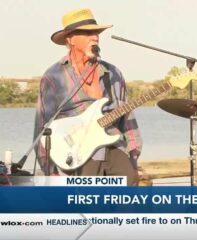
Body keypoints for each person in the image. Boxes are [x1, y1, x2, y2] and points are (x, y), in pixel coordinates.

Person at [33, 9, 142, 185]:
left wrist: (133, 160)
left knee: (128, 204)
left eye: (97, 32)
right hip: (78, 154)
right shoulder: (53, 76)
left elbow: (127, 118)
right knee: (88, 207)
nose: (95, 37)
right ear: (70, 39)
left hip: (115, 150)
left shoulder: (113, 73)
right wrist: (49, 170)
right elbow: (42, 126)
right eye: (87, 33)